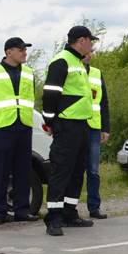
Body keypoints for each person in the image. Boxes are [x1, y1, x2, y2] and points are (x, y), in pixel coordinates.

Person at [0, 37, 39, 225]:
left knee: (23, 170)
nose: (24, 53)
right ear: (8, 52)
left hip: (23, 127)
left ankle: (22, 210)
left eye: (24, 50)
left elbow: (30, 98)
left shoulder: (29, 73)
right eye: (20, 50)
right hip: (1, 129)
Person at [41, 26, 97, 236]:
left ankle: (69, 213)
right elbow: (50, 95)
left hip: (81, 124)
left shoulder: (79, 63)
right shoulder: (62, 61)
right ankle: (53, 218)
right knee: (61, 171)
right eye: (91, 41)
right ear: (82, 40)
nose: (92, 45)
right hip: (66, 125)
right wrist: (51, 122)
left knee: (76, 172)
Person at [83, 53, 110, 219]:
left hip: (94, 128)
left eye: (90, 52)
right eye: (86, 52)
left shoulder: (96, 73)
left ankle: (94, 207)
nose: (89, 55)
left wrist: (105, 128)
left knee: (93, 170)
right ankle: (68, 207)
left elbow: (103, 103)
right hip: (75, 128)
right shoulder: (70, 71)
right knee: (74, 170)